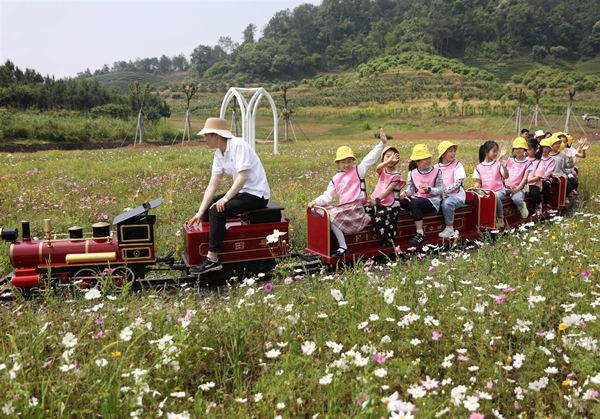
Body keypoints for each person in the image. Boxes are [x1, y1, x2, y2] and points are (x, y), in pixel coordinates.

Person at [186, 118, 270, 274]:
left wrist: (226, 199)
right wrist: (199, 211)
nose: (204, 139)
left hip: (257, 194)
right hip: (243, 192)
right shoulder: (219, 153)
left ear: (217, 135)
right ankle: (209, 251)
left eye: (206, 135)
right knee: (209, 208)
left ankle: (213, 259)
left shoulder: (238, 145)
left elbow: (243, 176)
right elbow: (213, 183)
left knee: (217, 211)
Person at [308, 133, 387, 257]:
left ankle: (343, 247)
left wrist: (381, 144)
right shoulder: (336, 178)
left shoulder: (358, 171)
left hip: (355, 208)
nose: (346, 165)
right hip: (344, 207)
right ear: (338, 163)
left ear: (353, 161)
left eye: (349, 161)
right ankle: (326, 244)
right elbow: (328, 195)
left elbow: (369, 159)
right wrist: (316, 202)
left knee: (332, 216)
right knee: (324, 212)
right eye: (343, 162)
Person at [399, 144, 444, 246]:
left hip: (433, 201)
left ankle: (420, 233)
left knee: (415, 203)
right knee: (399, 200)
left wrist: (429, 189)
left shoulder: (437, 172)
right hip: (418, 199)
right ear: (417, 161)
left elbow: (441, 190)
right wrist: (404, 193)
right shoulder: (412, 173)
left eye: (429, 157)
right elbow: (410, 190)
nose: (428, 160)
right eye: (424, 158)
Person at [364, 139, 406, 248]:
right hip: (380, 204)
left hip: (392, 206)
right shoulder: (382, 171)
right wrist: (387, 161)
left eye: (393, 157)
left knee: (380, 216)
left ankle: (390, 238)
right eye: (388, 156)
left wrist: (376, 200)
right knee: (364, 210)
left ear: (397, 160)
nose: (391, 158)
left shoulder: (396, 176)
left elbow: (387, 190)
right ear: (383, 159)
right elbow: (378, 167)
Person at [472, 141, 509, 229]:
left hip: (498, 191)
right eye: (494, 151)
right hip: (485, 191)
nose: (496, 153)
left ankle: (500, 217)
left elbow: (506, 176)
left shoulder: (498, 164)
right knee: (474, 194)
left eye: (497, 151)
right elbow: (478, 182)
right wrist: (475, 188)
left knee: (494, 196)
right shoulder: (479, 167)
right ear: (486, 151)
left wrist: (504, 167)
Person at [434, 141, 466, 238]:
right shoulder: (436, 167)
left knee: (447, 203)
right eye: (450, 151)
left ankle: (449, 228)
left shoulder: (457, 165)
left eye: (454, 151)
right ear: (443, 154)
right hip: (441, 196)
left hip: (456, 196)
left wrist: (444, 191)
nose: (453, 154)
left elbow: (457, 183)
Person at [505, 137, 532, 219]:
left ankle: (522, 206)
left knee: (517, 199)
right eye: (516, 148)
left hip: (519, 188)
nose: (518, 150)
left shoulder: (527, 163)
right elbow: (497, 167)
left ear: (525, 150)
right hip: (506, 187)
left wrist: (517, 189)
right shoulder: (509, 160)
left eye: (520, 148)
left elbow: (524, 178)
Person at [548, 134, 575, 203]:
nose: (558, 145)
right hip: (549, 177)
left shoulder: (562, 155)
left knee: (568, 187)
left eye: (559, 143)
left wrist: (570, 158)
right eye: (555, 143)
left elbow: (569, 166)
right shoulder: (546, 155)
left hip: (561, 176)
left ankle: (565, 196)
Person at [525, 138, 545, 216]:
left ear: (536, 149)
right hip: (522, 183)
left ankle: (538, 204)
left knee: (535, 193)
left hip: (533, 183)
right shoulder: (524, 160)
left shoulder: (539, 161)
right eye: (525, 149)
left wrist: (526, 181)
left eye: (529, 149)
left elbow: (537, 177)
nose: (527, 151)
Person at [538, 138, 556, 211]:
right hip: (535, 178)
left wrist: (539, 179)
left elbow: (547, 173)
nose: (544, 149)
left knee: (546, 185)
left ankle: (547, 204)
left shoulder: (551, 160)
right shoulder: (536, 158)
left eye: (547, 148)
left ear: (550, 149)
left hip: (545, 179)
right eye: (543, 147)